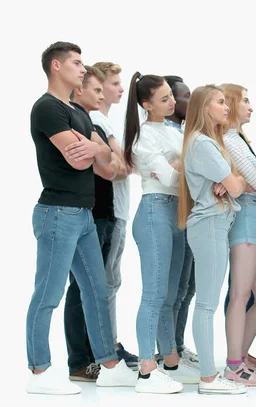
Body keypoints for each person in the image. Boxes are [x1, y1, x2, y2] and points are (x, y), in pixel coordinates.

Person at [26, 41, 137, 395]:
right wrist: (96, 150)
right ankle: (40, 372)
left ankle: (108, 365)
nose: (83, 69)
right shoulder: (46, 109)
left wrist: (96, 148)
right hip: (57, 213)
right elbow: (79, 160)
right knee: (48, 293)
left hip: (85, 214)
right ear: (56, 66)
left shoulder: (79, 112)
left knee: (97, 290)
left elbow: (106, 164)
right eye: (76, 62)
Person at [123, 72, 197, 393]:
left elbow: (183, 170)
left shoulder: (173, 132)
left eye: (171, 96)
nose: (173, 102)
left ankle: (170, 362)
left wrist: (181, 163)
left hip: (177, 213)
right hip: (155, 212)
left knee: (170, 295)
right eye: (164, 98)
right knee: (153, 295)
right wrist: (185, 164)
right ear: (145, 103)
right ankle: (146, 369)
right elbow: (169, 178)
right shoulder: (144, 137)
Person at [178, 84, 248, 395]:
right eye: (220, 102)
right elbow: (236, 185)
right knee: (206, 305)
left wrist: (232, 181)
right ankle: (208, 379)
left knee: (207, 302)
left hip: (214, 224)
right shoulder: (203, 144)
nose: (226, 107)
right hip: (210, 225)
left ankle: (209, 375)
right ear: (205, 108)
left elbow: (237, 182)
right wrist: (231, 182)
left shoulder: (208, 142)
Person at [64, 65, 129, 383]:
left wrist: (108, 156)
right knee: (82, 288)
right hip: (94, 213)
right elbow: (110, 169)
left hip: (103, 213)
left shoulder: (95, 124)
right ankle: (80, 360)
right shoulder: (82, 122)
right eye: (99, 89)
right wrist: (109, 157)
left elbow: (122, 165)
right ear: (80, 90)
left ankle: (96, 355)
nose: (104, 95)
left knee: (96, 288)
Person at [220, 83, 256, 386]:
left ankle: (240, 356)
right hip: (243, 219)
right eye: (245, 100)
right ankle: (233, 365)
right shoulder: (230, 139)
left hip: (254, 217)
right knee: (241, 294)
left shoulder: (240, 139)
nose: (250, 106)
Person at [90, 61, 139, 368]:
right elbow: (117, 170)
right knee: (105, 282)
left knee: (111, 281)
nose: (121, 89)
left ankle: (110, 342)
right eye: (114, 84)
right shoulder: (96, 119)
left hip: (118, 211)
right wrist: (119, 161)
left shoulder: (107, 122)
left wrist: (120, 161)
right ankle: (107, 347)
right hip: (108, 212)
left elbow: (126, 165)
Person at [157, 75, 199, 364]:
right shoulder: (163, 132)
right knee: (173, 289)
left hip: (190, 215)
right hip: (172, 213)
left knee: (187, 288)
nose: (188, 100)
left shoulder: (183, 131)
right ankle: (168, 353)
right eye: (184, 95)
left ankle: (178, 347)